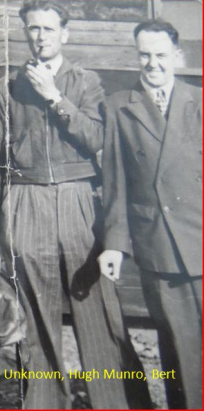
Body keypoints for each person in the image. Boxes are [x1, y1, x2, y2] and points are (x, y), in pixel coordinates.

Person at [0, 0, 150, 408]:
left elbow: (98, 139)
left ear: (64, 34)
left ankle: (116, 402)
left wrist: (55, 98)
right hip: (27, 202)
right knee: (35, 316)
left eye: (49, 29)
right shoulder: (7, 87)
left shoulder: (86, 82)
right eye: (33, 28)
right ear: (25, 33)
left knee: (99, 312)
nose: (40, 36)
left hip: (78, 204)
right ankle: (46, 402)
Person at [99, 20, 202, 409]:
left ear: (178, 56)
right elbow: (116, 184)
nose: (153, 63)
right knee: (180, 351)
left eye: (161, 55)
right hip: (160, 245)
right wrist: (114, 245)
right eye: (145, 54)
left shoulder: (201, 101)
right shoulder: (120, 107)